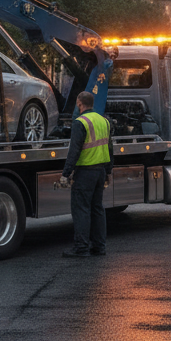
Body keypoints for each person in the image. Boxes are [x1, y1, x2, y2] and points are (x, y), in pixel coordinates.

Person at [58, 91, 113, 258]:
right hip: (99, 171)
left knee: (81, 209)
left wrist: (65, 174)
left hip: (85, 173)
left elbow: (73, 151)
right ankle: (99, 247)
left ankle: (81, 247)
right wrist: (108, 171)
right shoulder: (104, 121)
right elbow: (110, 148)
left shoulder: (80, 122)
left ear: (79, 104)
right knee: (97, 209)